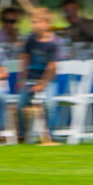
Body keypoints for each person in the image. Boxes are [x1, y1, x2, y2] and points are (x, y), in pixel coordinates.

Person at [20, 8, 62, 145]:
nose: (35, 25)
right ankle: (23, 135)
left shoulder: (54, 43)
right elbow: (25, 58)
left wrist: (42, 84)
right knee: (20, 104)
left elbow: (52, 67)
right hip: (31, 80)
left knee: (50, 104)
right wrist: (22, 78)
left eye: (38, 22)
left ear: (47, 23)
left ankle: (50, 137)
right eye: (33, 22)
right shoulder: (30, 40)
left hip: (48, 81)